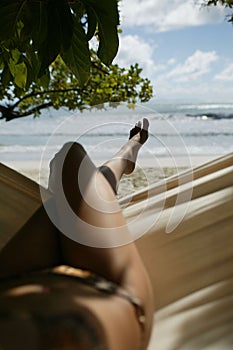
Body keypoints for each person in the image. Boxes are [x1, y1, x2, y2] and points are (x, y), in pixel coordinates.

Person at [0, 119, 154, 349]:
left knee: (65, 193)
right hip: (109, 287)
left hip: (12, 279)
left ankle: (123, 159)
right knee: (69, 161)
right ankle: (126, 155)